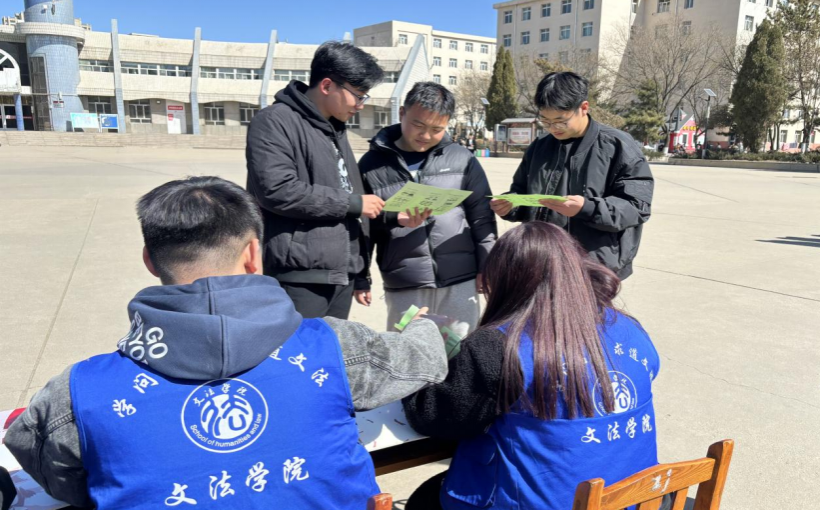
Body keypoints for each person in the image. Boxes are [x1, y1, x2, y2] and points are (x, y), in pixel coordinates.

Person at [5, 176, 448, 510]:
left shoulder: (79, 392)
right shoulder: (335, 346)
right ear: (254, 254)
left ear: (150, 261)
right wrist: (425, 326)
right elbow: (426, 361)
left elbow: (46, 464)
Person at [403, 222, 662, 510]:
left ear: (504, 279)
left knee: (424, 499)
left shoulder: (500, 345)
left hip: (546, 502)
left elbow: (433, 417)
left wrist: (419, 344)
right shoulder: (628, 326)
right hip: (635, 498)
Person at [246, 41, 386, 320]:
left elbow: (349, 192)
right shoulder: (274, 121)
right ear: (327, 85)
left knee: (331, 348)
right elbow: (277, 190)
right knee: (298, 348)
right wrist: (353, 204)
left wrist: (360, 273)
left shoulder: (335, 128)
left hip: (340, 273)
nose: (360, 105)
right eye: (358, 96)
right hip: (299, 275)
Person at [358, 82, 497, 335]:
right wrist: (361, 276)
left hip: (459, 280)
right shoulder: (371, 164)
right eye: (418, 125)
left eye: (436, 129)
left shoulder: (462, 158)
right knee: (406, 351)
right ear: (402, 113)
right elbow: (364, 226)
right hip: (405, 282)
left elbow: (481, 217)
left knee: (459, 350)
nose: (425, 135)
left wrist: (487, 266)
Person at [490, 72, 653, 280]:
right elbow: (522, 192)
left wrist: (587, 208)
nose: (553, 128)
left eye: (560, 121)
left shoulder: (617, 146)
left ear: (583, 108)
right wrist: (511, 206)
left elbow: (636, 207)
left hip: (594, 267)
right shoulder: (540, 147)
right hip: (543, 262)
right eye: (545, 121)